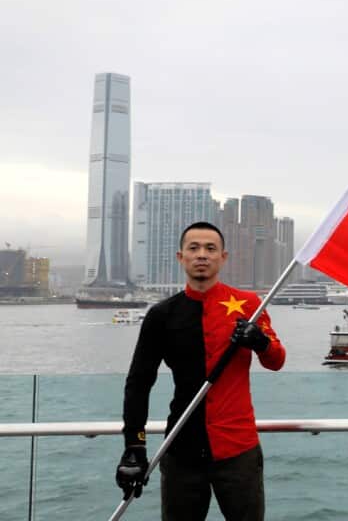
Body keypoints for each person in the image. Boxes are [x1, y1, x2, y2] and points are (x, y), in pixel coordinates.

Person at [116, 221, 286, 521]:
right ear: (181, 257)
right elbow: (139, 383)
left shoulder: (249, 305)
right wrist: (134, 446)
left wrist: (259, 342)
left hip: (238, 450)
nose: (202, 255)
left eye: (210, 248)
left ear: (224, 257)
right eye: (193, 248)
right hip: (181, 449)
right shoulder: (161, 315)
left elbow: (276, 360)